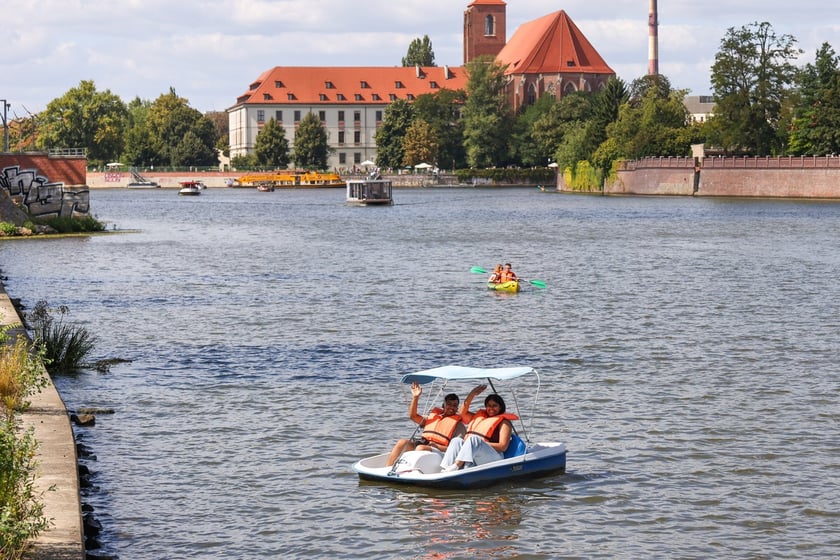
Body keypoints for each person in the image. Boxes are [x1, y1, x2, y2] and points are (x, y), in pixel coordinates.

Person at [385, 382, 465, 466]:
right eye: (449, 404)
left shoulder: (459, 426)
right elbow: (413, 416)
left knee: (420, 448)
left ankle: (411, 471)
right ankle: (387, 469)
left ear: (457, 408)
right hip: (424, 444)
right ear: (443, 405)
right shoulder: (433, 417)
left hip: (440, 451)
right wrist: (416, 397)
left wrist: (437, 446)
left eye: (455, 405)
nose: (452, 407)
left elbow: (456, 449)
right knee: (402, 442)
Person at [440, 393, 518, 472]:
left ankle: (456, 466)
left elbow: (503, 447)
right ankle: (445, 469)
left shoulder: (504, 423)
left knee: (473, 439)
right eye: (488, 405)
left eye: (494, 406)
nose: (491, 408)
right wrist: (472, 394)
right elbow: (462, 412)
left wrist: (478, 444)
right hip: (476, 455)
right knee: (456, 440)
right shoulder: (480, 417)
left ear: (500, 407)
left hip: (494, 457)